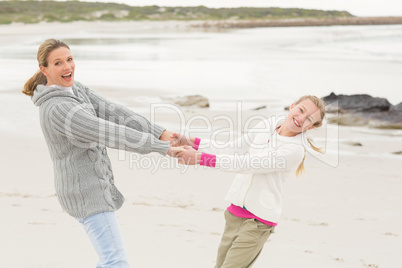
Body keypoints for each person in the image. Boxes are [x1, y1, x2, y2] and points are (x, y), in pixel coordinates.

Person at [22, 38, 183, 267]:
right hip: (85, 193)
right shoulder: (58, 109)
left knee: (110, 259)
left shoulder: (74, 89)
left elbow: (114, 112)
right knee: (115, 261)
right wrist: (161, 147)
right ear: (44, 70)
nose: (67, 67)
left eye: (69, 59)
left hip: (94, 187)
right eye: (58, 63)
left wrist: (160, 132)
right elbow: (109, 132)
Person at [175, 95, 326, 267]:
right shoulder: (270, 124)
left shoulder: (294, 150)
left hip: (257, 223)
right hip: (234, 214)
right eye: (301, 110)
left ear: (312, 126)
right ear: (292, 106)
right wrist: (193, 143)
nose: (301, 118)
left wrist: (201, 159)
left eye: (309, 119)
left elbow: (248, 164)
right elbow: (234, 148)